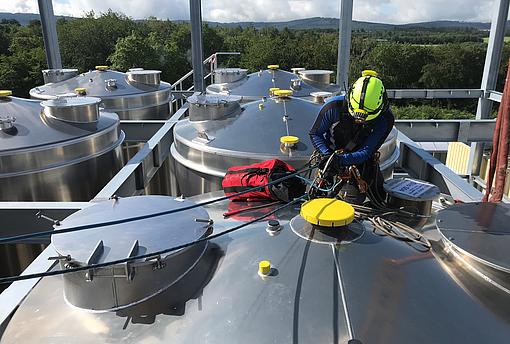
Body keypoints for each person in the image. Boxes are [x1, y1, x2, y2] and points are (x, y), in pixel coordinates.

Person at [309, 70, 394, 204]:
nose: (359, 121)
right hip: (329, 159)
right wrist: (327, 155)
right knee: (319, 201)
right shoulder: (333, 108)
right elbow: (316, 133)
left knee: (372, 201)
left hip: (361, 163)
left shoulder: (384, 119)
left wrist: (341, 160)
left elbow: (366, 151)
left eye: (366, 120)